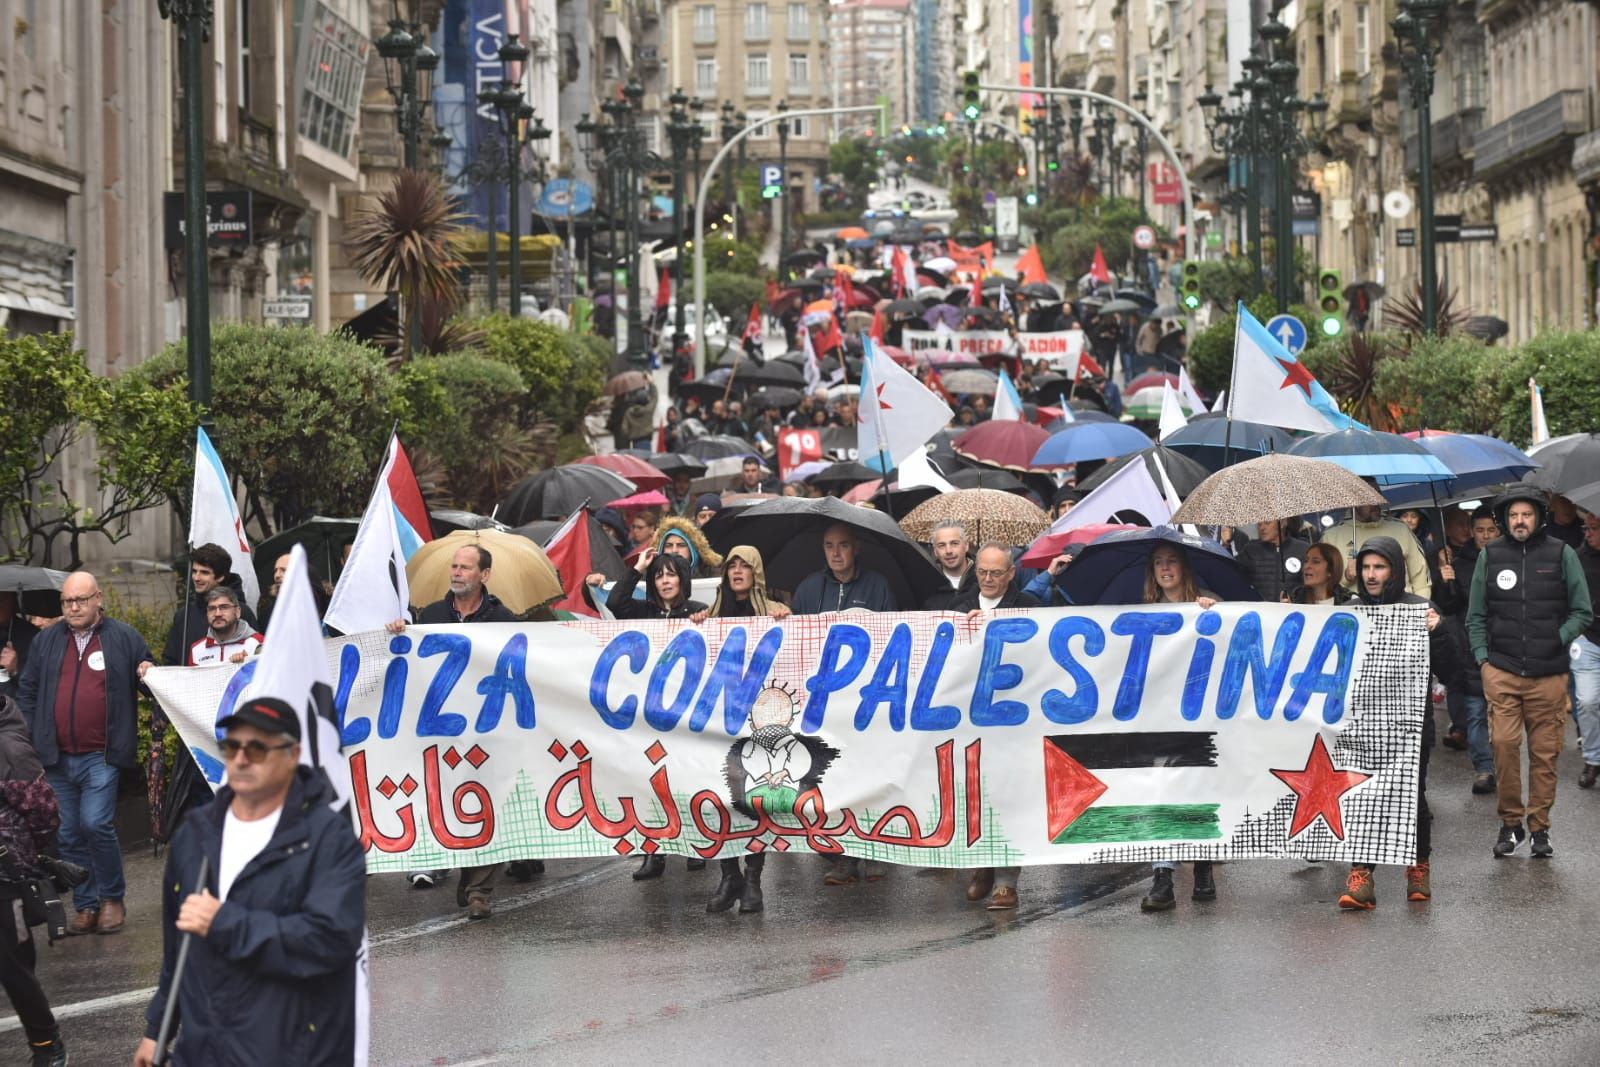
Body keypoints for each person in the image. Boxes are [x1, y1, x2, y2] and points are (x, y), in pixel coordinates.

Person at [134, 698, 366, 1067]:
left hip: (288, 1052)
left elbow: (331, 940)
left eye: (257, 748)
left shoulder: (328, 838)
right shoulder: (196, 833)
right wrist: (156, 1030)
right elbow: (178, 948)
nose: (240, 758)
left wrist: (224, 923)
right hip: (203, 1051)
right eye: (232, 746)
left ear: (293, 754)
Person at [15, 570, 152, 936]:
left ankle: (111, 899)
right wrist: (30, 732)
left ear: (98, 598)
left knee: (96, 824)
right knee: (69, 832)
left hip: (101, 754)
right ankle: (86, 905)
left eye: (80, 600)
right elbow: (27, 689)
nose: (74, 607)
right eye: (67, 601)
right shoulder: (47, 641)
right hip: (56, 755)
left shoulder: (123, 637)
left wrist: (147, 672)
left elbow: (150, 680)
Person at [385, 545, 518, 915]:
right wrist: (400, 633)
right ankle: (462, 874)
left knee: (486, 803)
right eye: (454, 567)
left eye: (466, 567)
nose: (457, 573)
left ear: (484, 575)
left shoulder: (503, 619)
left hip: (487, 731)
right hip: (439, 733)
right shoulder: (431, 615)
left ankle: (479, 890)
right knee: (449, 803)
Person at [1466, 490, 1593, 859]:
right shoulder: (1490, 556)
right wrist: (1482, 660)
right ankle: (1510, 823)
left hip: (1549, 674)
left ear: (1538, 517)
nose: (1520, 520)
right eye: (1513, 515)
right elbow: (1476, 615)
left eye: (1527, 514)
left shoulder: (1561, 554)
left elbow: (1582, 611)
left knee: (1545, 755)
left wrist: (1557, 638)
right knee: (1504, 747)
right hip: (1501, 670)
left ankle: (1539, 828)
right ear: (1505, 520)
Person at [1337, 537, 1457, 910]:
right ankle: (1362, 877)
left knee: (1412, 796)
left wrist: (1438, 632)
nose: (1371, 575)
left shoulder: (1420, 609)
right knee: (1362, 797)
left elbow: (1451, 671)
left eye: (1379, 567)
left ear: (1395, 570)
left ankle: (1418, 866)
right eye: (1366, 567)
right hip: (1362, 726)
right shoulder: (1349, 611)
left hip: (1410, 727)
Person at [692, 547, 790, 914]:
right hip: (720, 722)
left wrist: (786, 622)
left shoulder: (772, 613)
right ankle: (728, 874)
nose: (736, 571)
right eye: (731, 565)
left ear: (756, 572)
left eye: (744, 565)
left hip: (759, 724)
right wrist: (698, 624)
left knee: (755, 800)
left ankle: (753, 879)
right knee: (721, 798)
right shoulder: (712, 615)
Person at [952, 544, 1039, 910]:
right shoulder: (957, 607)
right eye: (983, 572)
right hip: (968, 719)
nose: (988, 579)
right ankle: (982, 865)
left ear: (1010, 573)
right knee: (972, 796)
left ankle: (1006, 882)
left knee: (1008, 798)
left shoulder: (1030, 606)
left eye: (996, 573)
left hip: (1013, 719)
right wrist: (964, 631)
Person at [1138, 544, 1219, 912]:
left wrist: (1215, 615)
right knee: (1161, 793)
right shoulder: (1142, 613)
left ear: (1184, 567)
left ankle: (1202, 868)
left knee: (1197, 789)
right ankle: (1163, 877)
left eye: (1171, 561)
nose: (1165, 568)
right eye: (1158, 563)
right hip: (1158, 717)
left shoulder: (1208, 603)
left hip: (1201, 716)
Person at [0, 693, 68, 1065]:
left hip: (6, 872)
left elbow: (45, 812)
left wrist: (24, 855)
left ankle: (47, 1046)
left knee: (11, 965)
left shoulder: (8, 746)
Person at [161, 543, 258, 668]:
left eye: (204, 573)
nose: (196, 578)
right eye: (194, 571)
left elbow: (258, 657)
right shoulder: (183, 615)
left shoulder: (242, 613)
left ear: (221, 577)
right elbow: (170, 661)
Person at [1322, 501, 1431, 598]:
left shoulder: (1400, 529)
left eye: (1377, 494)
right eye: (1368, 498)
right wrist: (1346, 577)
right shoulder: (1332, 535)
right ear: (1354, 501)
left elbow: (1421, 581)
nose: (1376, 502)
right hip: (1354, 613)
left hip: (1401, 611)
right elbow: (1321, 586)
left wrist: (1420, 610)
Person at [790, 523, 899, 615]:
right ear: (823, 548)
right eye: (829, 546)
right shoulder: (808, 587)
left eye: (843, 546)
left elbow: (892, 628)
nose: (835, 553)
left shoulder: (878, 586)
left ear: (856, 548)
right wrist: (783, 614)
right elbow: (792, 630)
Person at [1573, 510, 1600, 789]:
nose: (1587, 533)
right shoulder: (1578, 558)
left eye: (1593, 528)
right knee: (1588, 700)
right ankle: (1593, 759)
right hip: (1587, 638)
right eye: (1585, 527)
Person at [186, 587, 264, 666]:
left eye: (224, 607)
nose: (217, 614)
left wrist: (247, 665)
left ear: (237, 612)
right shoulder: (196, 649)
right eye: (212, 608)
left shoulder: (258, 643)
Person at [1237, 519, 1310, 603]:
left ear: (1282, 523)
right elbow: (1233, 576)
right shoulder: (1251, 550)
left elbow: (1312, 587)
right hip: (1259, 613)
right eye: (1259, 524)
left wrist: (1295, 602)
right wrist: (1226, 546)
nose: (1262, 528)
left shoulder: (1303, 549)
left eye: (1267, 523)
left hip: (1294, 612)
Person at [922, 520, 975, 610]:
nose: (948, 551)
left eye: (954, 543)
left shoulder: (984, 579)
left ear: (966, 546)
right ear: (935, 551)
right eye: (942, 545)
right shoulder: (925, 585)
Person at [0, 591, 38, 701]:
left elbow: (39, 686)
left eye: (1, 601)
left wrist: (16, 670)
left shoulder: (32, 636)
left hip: (16, 710)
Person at [1287, 543, 1353, 606]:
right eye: (1306, 561)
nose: (1307, 566)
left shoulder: (1349, 600)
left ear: (1331, 570)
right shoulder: (1294, 598)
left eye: (1316, 562)